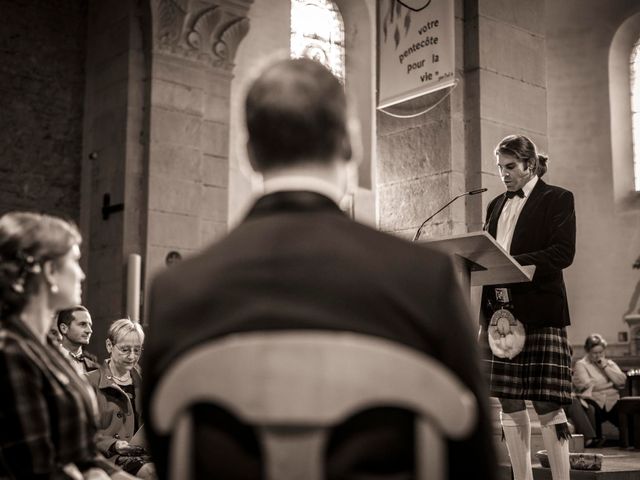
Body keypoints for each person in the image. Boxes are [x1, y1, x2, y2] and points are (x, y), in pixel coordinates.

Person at [143, 57, 497, 480]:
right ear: (351, 144)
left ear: (247, 154)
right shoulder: (425, 278)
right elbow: (472, 461)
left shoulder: (177, 289)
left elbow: (169, 456)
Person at [0, 212, 135, 479]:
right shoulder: (11, 352)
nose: (82, 273)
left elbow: (82, 452)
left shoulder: (47, 346)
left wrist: (115, 475)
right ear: (50, 271)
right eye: (74, 261)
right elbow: (37, 469)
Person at [479, 134, 576, 480]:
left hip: (539, 312)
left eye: (510, 167)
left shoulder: (557, 199)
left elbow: (562, 253)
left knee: (548, 401)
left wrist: (509, 262)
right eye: (499, 168)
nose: (503, 174)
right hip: (500, 316)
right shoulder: (494, 205)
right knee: (508, 399)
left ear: (530, 164)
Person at [87, 319, 156, 479]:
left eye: (137, 350)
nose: (132, 356)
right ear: (109, 346)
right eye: (125, 349)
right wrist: (114, 444)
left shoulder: (145, 382)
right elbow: (82, 432)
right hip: (107, 457)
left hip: (143, 454)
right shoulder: (89, 381)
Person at [573, 333, 626, 445]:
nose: (598, 356)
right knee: (593, 407)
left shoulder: (609, 363)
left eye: (601, 352)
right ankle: (596, 440)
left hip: (612, 400)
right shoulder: (581, 364)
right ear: (588, 352)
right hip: (594, 399)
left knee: (626, 409)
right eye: (595, 353)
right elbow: (588, 385)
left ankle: (628, 440)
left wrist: (605, 367)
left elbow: (622, 381)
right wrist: (611, 384)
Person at [57, 305, 99, 375]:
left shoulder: (95, 367)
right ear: (64, 328)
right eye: (82, 324)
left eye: (90, 325)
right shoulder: (49, 359)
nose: (89, 330)